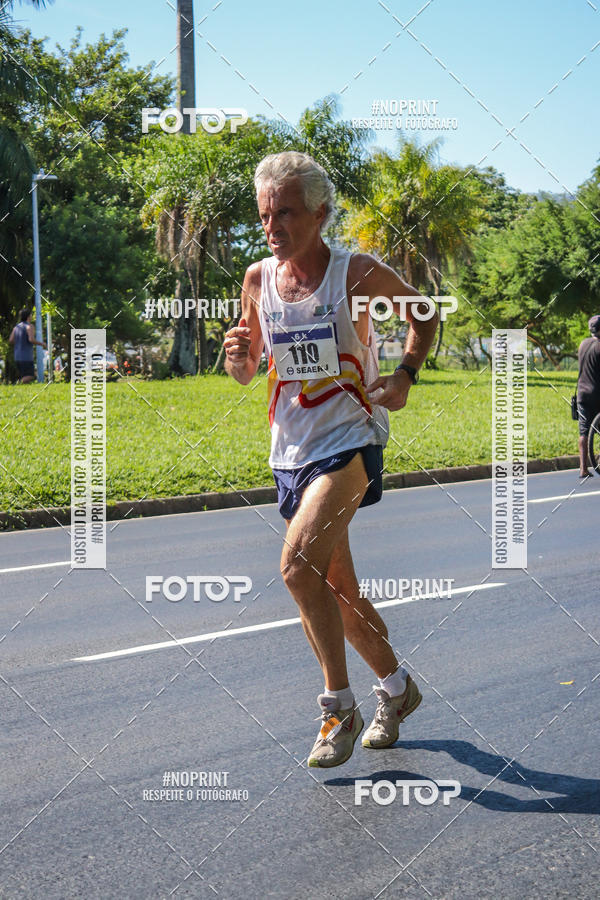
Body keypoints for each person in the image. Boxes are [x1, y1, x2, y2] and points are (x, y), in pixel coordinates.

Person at [224, 151, 438, 768]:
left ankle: (337, 708)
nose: (273, 227)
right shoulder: (258, 279)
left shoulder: (357, 273)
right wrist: (237, 355)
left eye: (286, 213)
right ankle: (396, 688)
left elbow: (425, 313)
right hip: (289, 450)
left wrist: (405, 374)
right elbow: (249, 370)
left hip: (351, 439)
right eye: (265, 215)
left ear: (320, 214)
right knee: (336, 591)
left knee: (296, 568)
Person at [576, 314, 600, 478]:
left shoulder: (583, 344)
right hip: (597, 393)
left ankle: (583, 469)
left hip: (582, 394)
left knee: (584, 431)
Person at [8, 308, 46, 384]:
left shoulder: (16, 327)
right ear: (28, 316)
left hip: (17, 356)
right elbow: (31, 339)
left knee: (25, 375)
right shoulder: (29, 326)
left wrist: (20, 342)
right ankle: (18, 383)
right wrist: (42, 344)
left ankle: (21, 384)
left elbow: (11, 340)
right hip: (26, 356)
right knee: (31, 375)